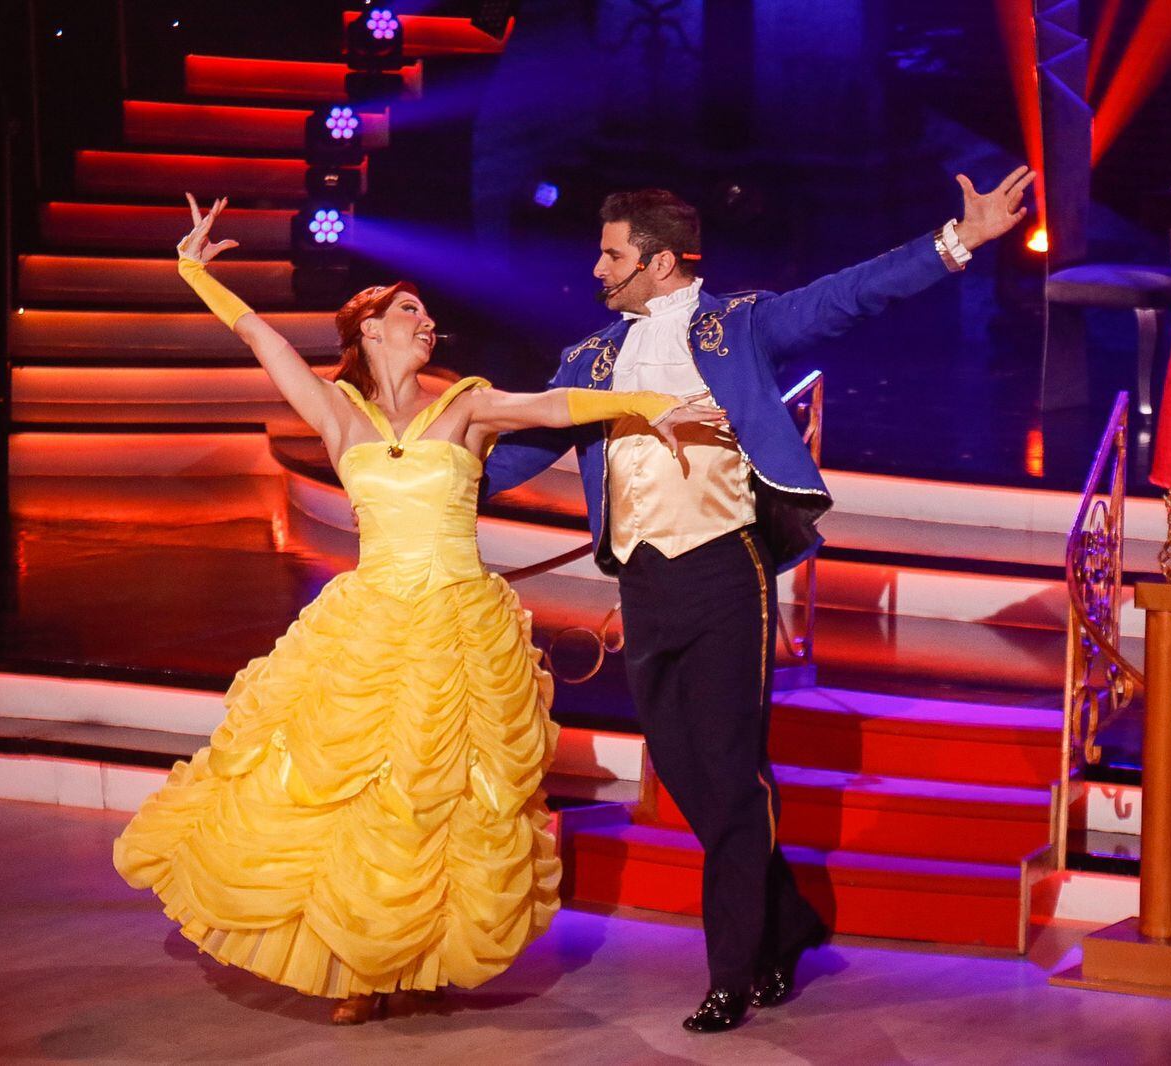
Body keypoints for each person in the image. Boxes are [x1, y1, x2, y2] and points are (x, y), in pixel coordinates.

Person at [113, 194, 725, 1024]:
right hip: (370, 622)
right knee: (363, 794)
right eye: (409, 311)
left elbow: (551, 406)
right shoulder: (337, 412)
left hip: (458, 624)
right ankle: (358, 967)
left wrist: (646, 405)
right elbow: (260, 339)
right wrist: (195, 273)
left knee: (440, 800)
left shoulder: (463, 403)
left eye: (428, 314)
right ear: (369, 328)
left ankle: (425, 955)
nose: (426, 321)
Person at [481, 172, 1035, 1032]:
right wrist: (419, 477)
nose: (597, 270)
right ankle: (790, 920)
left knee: (734, 775)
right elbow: (516, 452)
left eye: (612, 256)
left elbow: (849, 295)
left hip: (723, 571)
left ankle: (732, 973)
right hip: (644, 580)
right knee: (687, 774)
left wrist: (956, 240)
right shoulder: (591, 358)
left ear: (660, 262)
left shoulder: (737, 325)